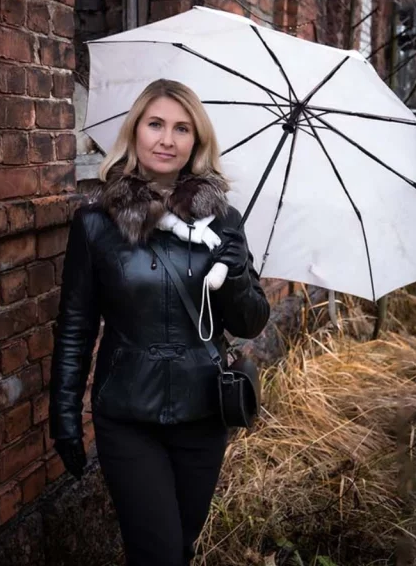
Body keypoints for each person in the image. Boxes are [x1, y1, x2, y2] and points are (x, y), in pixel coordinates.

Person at [48, 78, 271, 566]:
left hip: (203, 413)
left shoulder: (225, 222)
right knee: (159, 555)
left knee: (182, 548)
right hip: (129, 414)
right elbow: (75, 329)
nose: (167, 139)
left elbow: (250, 321)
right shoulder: (96, 225)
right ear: (135, 133)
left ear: (196, 142)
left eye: (182, 128)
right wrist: (63, 413)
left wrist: (235, 273)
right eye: (156, 124)